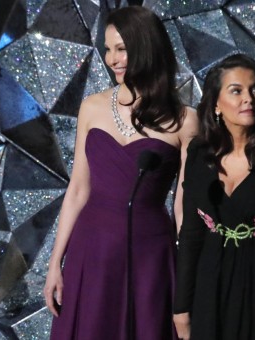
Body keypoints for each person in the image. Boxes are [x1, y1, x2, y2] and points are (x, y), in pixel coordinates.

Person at [43, 6, 198, 340]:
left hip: (150, 254)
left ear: (146, 47)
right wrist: (55, 262)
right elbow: (78, 190)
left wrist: (186, 282)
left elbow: (182, 210)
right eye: (109, 49)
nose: (112, 59)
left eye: (122, 48)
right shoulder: (92, 106)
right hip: (92, 249)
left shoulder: (185, 120)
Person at [173, 54, 255, 340]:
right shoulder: (199, 153)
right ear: (216, 104)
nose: (249, 98)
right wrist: (182, 306)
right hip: (211, 286)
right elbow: (191, 235)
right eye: (236, 91)